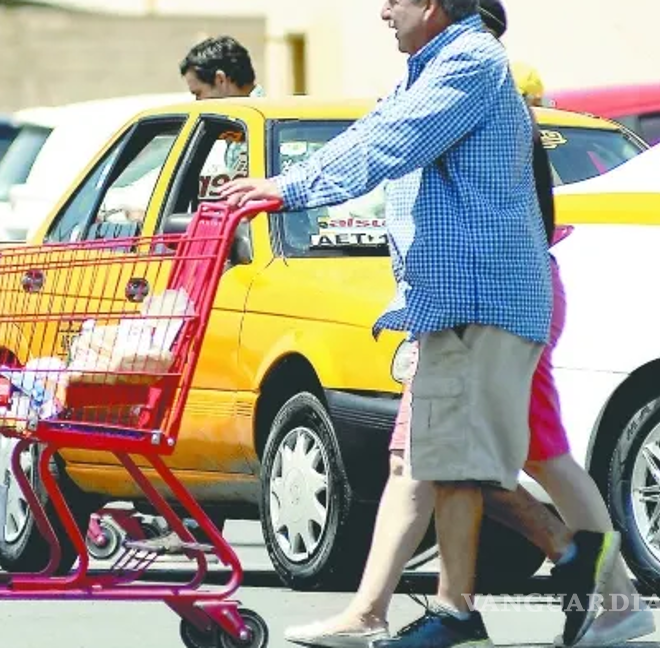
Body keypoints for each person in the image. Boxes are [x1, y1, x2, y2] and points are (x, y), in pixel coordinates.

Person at [220, 2, 616, 647]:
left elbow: (390, 140)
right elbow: (373, 127)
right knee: (444, 461)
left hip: (481, 299)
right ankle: (462, 606)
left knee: (460, 464)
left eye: (396, 0)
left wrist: (290, 189)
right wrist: (288, 181)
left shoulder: (468, 63)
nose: (383, 11)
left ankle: (557, 579)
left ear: (432, 4)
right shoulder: (428, 68)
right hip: (452, 303)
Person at [98, 35, 263, 224]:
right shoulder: (234, 129)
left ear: (220, 80)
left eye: (198, 93)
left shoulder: (260, 129)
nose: (198, 103)